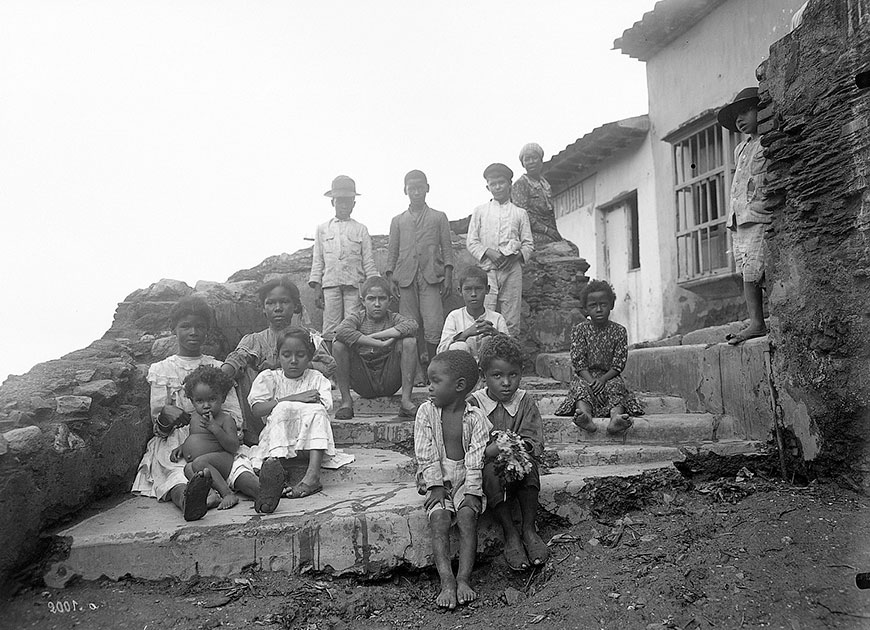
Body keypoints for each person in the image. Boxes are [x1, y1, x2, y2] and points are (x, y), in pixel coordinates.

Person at [133, 296, 285, 521]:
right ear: (173, 328)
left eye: (200, 327)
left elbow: (234, 415)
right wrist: (167, 418)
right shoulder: (162, 370)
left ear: (207, 331)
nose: (193, 332)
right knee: (175, 473)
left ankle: (263, 492)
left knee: (237, 468)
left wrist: (219, 429)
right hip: (178, 442)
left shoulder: (217, 367)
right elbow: (159, 425)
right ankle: (192, 500)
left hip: (218, 438)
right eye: (185, 326)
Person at [414, 350, 490, 609]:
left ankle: (464, 579)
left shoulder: (476, 418)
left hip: (466, 478)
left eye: (435, 381)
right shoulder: (426, 412)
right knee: (440, 519)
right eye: (428, 381)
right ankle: (446, 581)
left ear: (459, 386)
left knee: (468, 517)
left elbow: (476, 458)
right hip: (439, 479)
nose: (429, 387)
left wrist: (472, 491)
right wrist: (435, 486)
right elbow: (426, 453)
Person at [221, 277, 334, 445]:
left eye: (285, 302)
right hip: (264, 413)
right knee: (244, 371)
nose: (278, 308)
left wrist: (280, 365)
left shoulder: (308, 337)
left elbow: (328, 366)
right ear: (263, 308)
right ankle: (253, 435)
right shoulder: (255, 340)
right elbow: (237, 359)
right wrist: (219, 374)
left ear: (295, 306)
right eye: (271, 303)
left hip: (303, 411)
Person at [470, 334, 548, 571]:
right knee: (492, 473)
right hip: (490, 467)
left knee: (530, 468)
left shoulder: (524, 402)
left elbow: (534, 440)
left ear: (521, 373)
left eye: (512, 375)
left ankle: (529, 529)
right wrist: (494, 451)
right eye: (497, 376)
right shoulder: (474, 405)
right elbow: (472, 447)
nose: (506, 382)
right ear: (483, 376)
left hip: (520, 463)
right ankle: (510, 532)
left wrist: (517, 449)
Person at [247, 327, 336, 499]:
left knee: (316, 409)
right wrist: (295, 398)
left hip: (308, 445)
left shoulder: (316, 378)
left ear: (309, 357)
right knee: (282, 407)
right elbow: (257, 410)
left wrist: (298, 404)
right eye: (286, 355)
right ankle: (278, 474)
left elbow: (325, 410)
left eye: (300, 355)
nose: (293, 360)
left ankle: (312, 477)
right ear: (278, 355)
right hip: (277, 442)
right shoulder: (270, 378)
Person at [385, 169, 455, 370]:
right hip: (405, 278)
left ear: (427, 189)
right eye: (412, 188)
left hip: (431, 276)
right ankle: (414, 372)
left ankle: (434, 369)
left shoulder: (438, 217)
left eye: (420, 188)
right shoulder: (397, 221)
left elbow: (447, 248)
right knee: (408, 325)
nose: (416, 192)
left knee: (434, 323)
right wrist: (391, 277)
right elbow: (392, 251)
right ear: (405, 190)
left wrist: (448, 274)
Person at [554, 280, 644, 435]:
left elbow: (618, 363)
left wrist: (602, 381)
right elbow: (579, 362)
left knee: (616, 387)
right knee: (581, 388)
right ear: (586, 309)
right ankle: (585, 416)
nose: (599, 309)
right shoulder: (579, 330)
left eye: (603, 304)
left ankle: (616, 419)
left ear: (611, 305)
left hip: (609, 376)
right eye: (593, 306)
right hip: (586, 376)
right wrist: (592, 382)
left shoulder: (619, 331)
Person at [718, 87, 770, 345]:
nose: (740, 119)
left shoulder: (767, 141)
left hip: (757, 213)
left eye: (746, 112)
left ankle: (758, 323)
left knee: (755, 270)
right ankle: (756, 320)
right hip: (739, 218)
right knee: (746, 271)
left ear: (761, 110)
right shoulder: (740, 149)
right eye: (736, 115)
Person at [332, 276, 419, 420]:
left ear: (390, 301)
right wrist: (380, 343)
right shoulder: (357, 318)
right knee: (338, 345)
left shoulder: (393, 318)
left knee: (409, 341)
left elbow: (412, 325)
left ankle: (406, 402)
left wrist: (376, 335)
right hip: (363, 380)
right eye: (371, 299)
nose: (377, 304)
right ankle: (346, 402)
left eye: (382, 299)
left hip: (389, 378)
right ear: (363, 301)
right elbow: (340, 331)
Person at [466, 163, 534, 337]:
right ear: (487, 186)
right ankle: (482, 357)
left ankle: (509, 357)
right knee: (484, 314)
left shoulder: (520, 213)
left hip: (511, 271)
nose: (497, 187)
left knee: (511, 318)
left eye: (501, 182)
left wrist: (515, 256)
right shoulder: (480, 212)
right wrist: (489, 252)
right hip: (487, 271)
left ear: (510, 184)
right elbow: (472, 242)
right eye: (493, 183)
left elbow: (528, 244)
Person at [309, 175, 379, 342]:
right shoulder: (322, 229)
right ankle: (330, 364)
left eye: (348, 201)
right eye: (340, 201)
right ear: (332, 202)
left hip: (354, 285)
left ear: (354, 204)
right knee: (330, 327)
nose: (343, 205)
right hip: (330, 285)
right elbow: (318, 260)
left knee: (352, 324)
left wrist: (374, 286)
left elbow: (368, 261)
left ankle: (352, 363)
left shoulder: (361, 229)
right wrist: (317, 287)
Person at [170, 365, 243, 510]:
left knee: (198, 463)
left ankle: (228, 494)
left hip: (222, 459)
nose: (206, 405)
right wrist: (182, 447)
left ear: (222, 398)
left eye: (212, 399)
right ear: (192, 401)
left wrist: (215, 428)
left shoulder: (225, 419)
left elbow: (234, 446)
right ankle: (210, 494)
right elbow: (196, 437)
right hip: (202, 464)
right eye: (200, 401)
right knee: (188, 468)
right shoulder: (195, 418)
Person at [438, 265, 509, 359]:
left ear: (487, 290)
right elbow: (440, 351)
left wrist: (496, 334)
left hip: (490, 370)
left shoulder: (497, 318)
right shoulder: (454, 317)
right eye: (468, 289)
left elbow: (511, 349)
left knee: (488, 341)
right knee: (459, 346)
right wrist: (465, 334)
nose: (473, 294)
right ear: (460, 291)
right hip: (463, 370)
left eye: (478, 289)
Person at [511, 143, 565, 244]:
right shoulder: (521, 184)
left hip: (548, 232)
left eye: (534, 158)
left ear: (541, 161)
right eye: (527, 159)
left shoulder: (545, 185)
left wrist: (555, 233)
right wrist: (546, 230)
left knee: (572, 248)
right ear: (523, 164)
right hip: (530, 233)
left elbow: (550, 215)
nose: (531, 162)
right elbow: (523, 216)